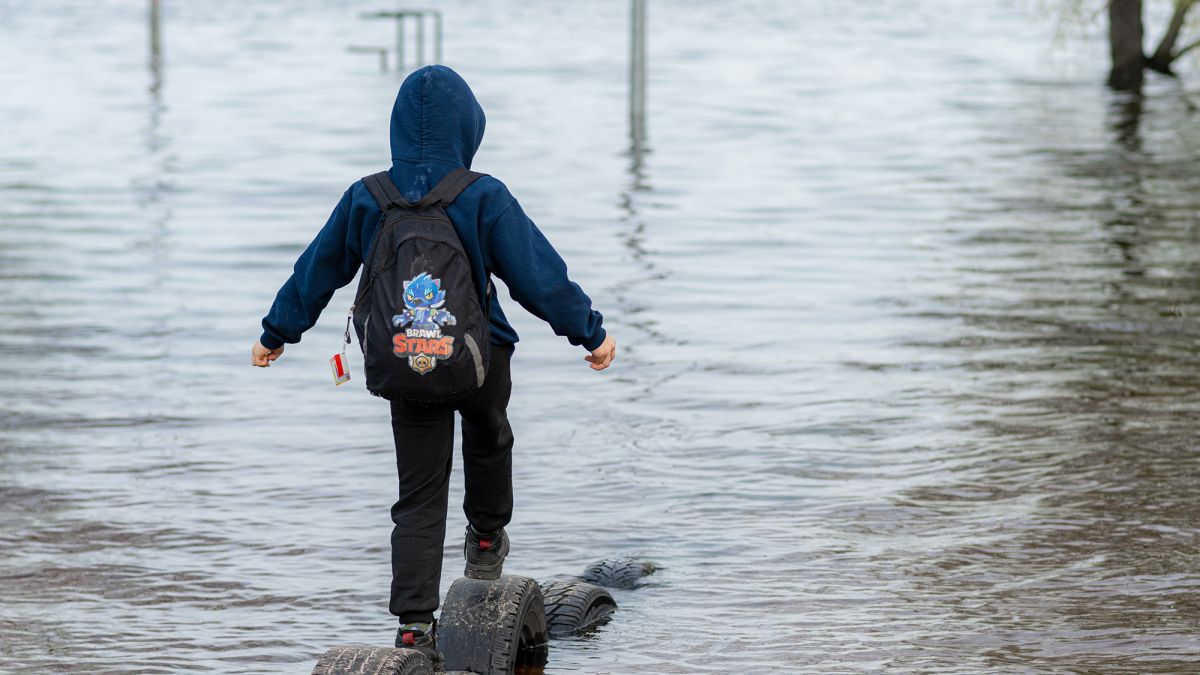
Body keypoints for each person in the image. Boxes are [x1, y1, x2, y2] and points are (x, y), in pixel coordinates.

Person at [250, 65, 615, 666]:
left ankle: (415, 624)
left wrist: (276, 332)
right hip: (480, 356)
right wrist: (588, 333)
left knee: (417, 495)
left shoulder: (368, 196)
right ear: (468, 127)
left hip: (404, 360)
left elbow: (316, 269)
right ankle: (488, 540)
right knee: (491, 437)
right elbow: (539, 275)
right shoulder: (482, 194)